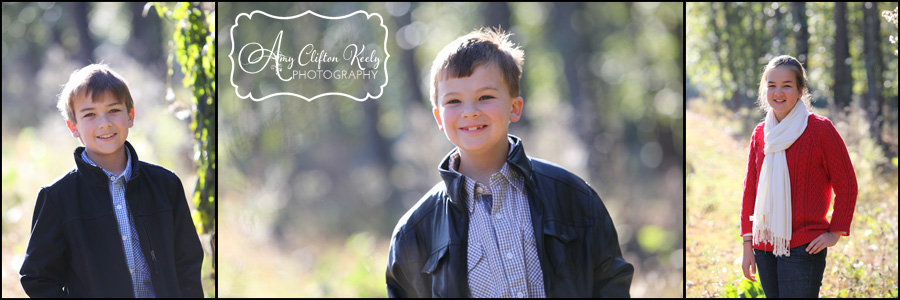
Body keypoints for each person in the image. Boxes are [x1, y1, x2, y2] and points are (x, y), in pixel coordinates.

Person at [385, 27, 633, 298]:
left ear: (514, 107)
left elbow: (611, 283)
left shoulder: (573, 197)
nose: (470, 112)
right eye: (454, 101)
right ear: (439, 118)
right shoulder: (414, 233)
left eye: (485, 97)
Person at [19, 64, 204, 297]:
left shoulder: (165, 185)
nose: (104, 123)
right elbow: (38, 277)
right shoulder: (57, 198)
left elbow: (187, 263)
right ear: (73, 126)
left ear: (130, 115)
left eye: (114, 110)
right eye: (89, 115)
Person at [739, 55, 858, 298]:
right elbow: (750, 190)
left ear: (800, 90)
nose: (778, 92)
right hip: (764, 244)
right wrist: (747, 245)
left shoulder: (820, 130)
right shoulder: (761, 133)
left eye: (787, 85)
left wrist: (834, 232)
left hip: (805, 246)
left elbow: (847, 185)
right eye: (771, 85)